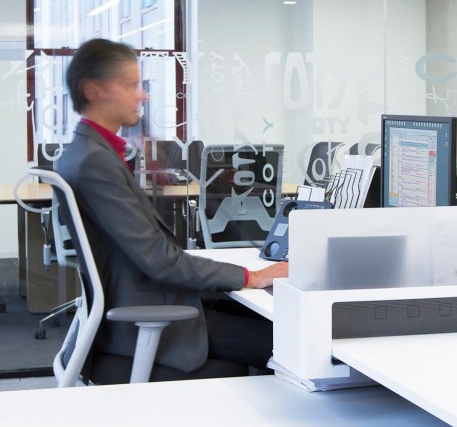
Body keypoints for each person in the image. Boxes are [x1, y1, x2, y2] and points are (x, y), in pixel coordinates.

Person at [55, 37, 288, 381]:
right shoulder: (95, 162)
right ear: (94, 90)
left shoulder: (87, 153)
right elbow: (160, 259)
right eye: (130, 85)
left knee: (267, 319)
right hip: (146, 319)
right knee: (290, 341)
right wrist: (250, 276)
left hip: (144, 300)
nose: (142, 95)